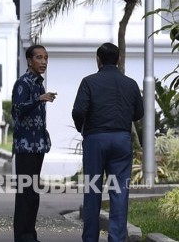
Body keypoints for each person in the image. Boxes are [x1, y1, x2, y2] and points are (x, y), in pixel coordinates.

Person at [72, 42, 144, 242]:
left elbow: (78, 111)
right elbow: (139, 113)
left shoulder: (88, 82)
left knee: (93, 192)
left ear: (98, 60)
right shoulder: (131, 83)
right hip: (121, 140)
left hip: (95, 139)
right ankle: (117, 239)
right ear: (119, 59)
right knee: (120, 193)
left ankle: (90, 239)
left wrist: (83, 129)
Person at [11, 44, 56, 242]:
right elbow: (18, 110)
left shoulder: (39, 83)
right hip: (25, 146)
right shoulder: (23, 83)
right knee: (25, 193)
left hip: (38, 145)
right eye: (39, 57)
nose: (44, 61)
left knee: (33, 193)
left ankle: (30, 234)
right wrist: (39, 99)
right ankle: (22, 236)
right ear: (29, 61)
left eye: (46, 57)